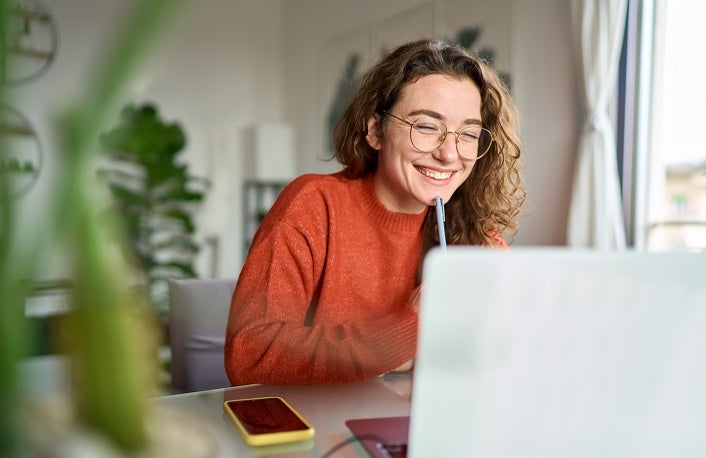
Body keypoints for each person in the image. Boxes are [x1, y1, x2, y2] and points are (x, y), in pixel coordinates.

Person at [224, 38, 525, 385]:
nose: (449, 153)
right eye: (426, 127)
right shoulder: (313, 205)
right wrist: (407, 330)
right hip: (317, 431)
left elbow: (506, 358)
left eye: (468, 134)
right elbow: (249, 355)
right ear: (374, 131)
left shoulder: (476, 236)